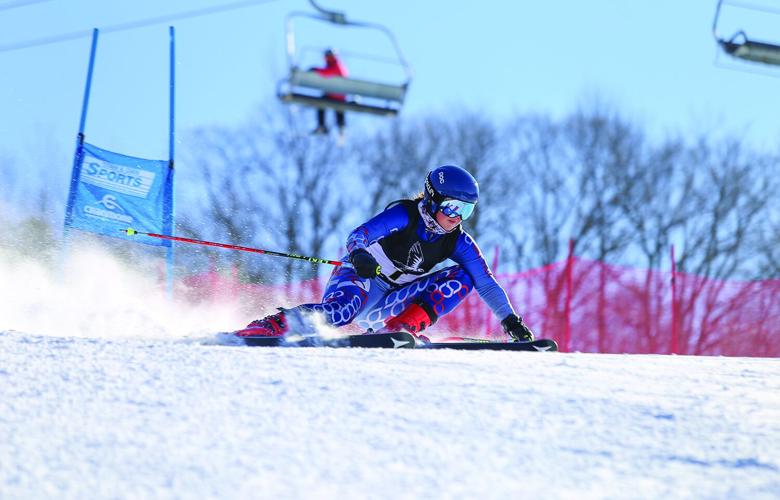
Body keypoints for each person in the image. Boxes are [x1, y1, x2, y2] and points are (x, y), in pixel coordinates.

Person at [238, 165, 535, 343]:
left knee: (464, 276)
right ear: (433, 200)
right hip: (360, 277)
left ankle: (399, 329)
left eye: (466, 210)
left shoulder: (458, 241)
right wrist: (359, 255)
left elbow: (486, 281)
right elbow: (358, 235)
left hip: (393, 298)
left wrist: (511, 321)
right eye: (453, 207)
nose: (457, 217)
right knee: (341, 313)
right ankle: (273, 325)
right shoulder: (405, 214)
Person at [311, 48, 348, 138]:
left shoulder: (337, 65)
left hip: (338, 96)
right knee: (321, 104)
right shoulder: (331, 66)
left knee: (338, 109)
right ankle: (323, 126)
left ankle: (341, 129)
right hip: (332, 95)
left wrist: (316, 70)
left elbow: (328, 73)